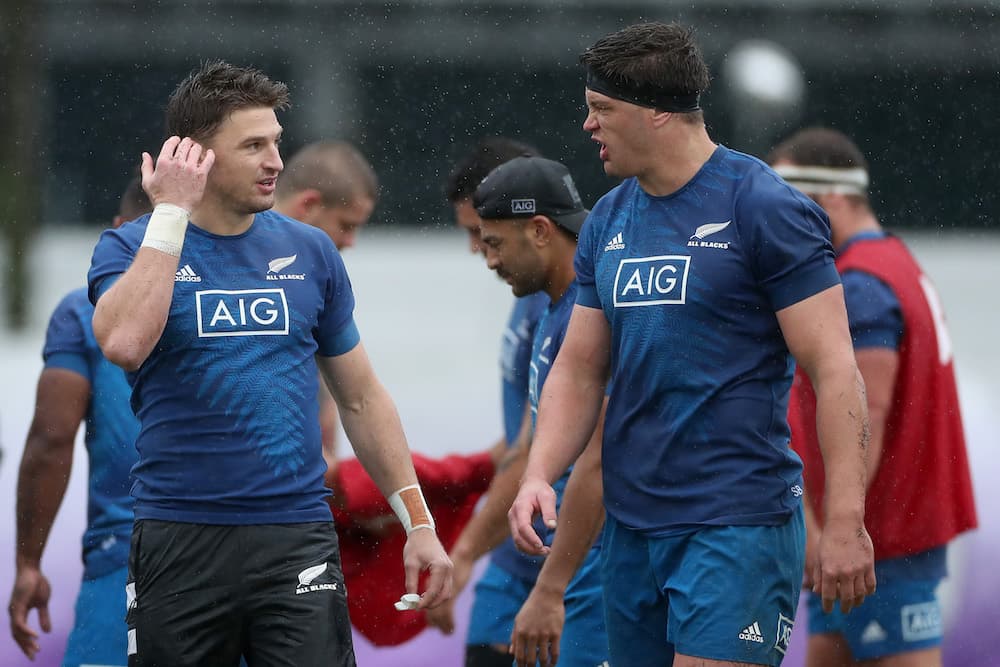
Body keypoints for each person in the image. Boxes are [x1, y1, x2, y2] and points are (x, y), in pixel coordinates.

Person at [508, 22, 876, 667]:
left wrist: (845, 518)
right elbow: (579, 370)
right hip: (632, 527)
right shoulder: (609, 219)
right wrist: (539, 473)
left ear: (657, 115)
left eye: (602, 110)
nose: (589, 126)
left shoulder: (764, 206)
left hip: (736, 522)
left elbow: (835, 369)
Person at [86, 61, 451, 666]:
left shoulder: (311, 251)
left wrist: (418, 522)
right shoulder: (130, 247)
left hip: (296, 538)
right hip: (179, 537)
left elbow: (361, 398)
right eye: (254, 145)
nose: (276, 162)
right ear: (195, 156)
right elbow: (124, 343)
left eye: (276, 142)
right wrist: (172, 214)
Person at [769, 127, 978, 667]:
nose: (778, 224)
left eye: (790, 204)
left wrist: (834, 527)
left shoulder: (860, 283)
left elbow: (869, 413)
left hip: (879, 538)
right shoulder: (895, 261)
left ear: (831, 197)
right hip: (877, 531)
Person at [8, 176, 150, 667]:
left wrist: (28, 564)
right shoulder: (250, 307)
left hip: (129, 556)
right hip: (243, 558)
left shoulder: (82, 311)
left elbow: (51, 441)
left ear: (117, 234)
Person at [474, 156, 609, 667]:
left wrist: (551, 590)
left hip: (595, 567)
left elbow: (597, 462)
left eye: (494, 243)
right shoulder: (555, 309)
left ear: (539, 230)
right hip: (571, 562)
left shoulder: (589, 314)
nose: (488, 260)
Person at [424, 137, 550, 667]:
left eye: (481, 234)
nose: (477, 250)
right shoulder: (529, 299)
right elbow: (519, 437)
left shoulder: (565, 302)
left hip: (562, 553)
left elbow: (536, 445)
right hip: (515, 551)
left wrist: (465, 552)